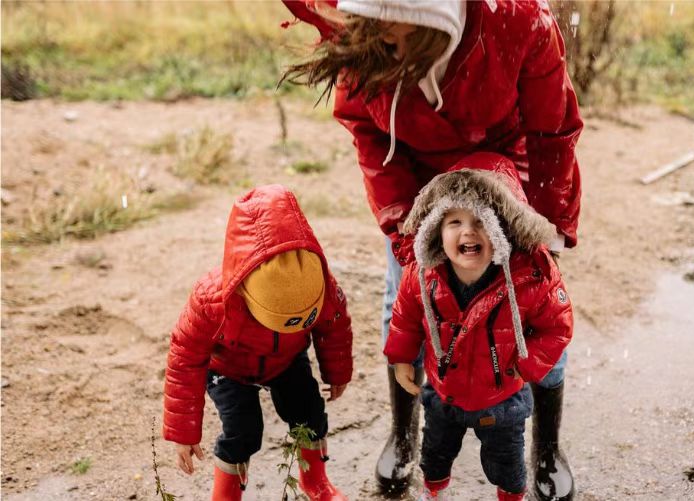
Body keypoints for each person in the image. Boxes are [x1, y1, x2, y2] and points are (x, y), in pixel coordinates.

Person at [281, 2, 582, 498]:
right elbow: (367, 128)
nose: (381, 42)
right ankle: (404, 435)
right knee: (404, 297)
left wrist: (544, 227)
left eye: (394, 35)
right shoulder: (366, 35)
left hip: (503, 174)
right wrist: (405, 228)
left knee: (534, 300)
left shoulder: (520, 20)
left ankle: (546, 445)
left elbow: (553, 130)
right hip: (415, 177)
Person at [384, 152, 573, 500]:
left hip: (502, 401)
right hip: (443, 395)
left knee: (508, 467)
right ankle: (434, 491)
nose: (468, 231)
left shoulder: (531, 278)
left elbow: (557, 326)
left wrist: (529, 365)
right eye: (454, 221)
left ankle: (511, 493)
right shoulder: (421, 275)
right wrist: (400, 359)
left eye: (481, 221)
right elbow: (405, 318)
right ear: (436, 230)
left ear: (505, 231)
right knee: (435, 457)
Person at [162, 184, 353, 501]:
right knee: (243, 429)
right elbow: (184, 358)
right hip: (228, 368)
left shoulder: (318, 281)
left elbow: (334, 325)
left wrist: (337, 372)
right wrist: (183, 432)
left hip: (287, 359)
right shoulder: (211, 300)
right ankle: (226, 496)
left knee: (309, 412)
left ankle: (315, 482)